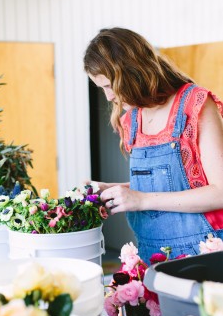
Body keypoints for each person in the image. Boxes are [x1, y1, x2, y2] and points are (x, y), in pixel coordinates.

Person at [84, 27, 223, 264]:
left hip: (203, 253)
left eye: (109, 86)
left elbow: (220, 192)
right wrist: (115, 190)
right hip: (152, 255)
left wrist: (142, 200)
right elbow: (166, 183)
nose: (108, 97)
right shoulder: (131, 119)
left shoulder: (194, 103)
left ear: (132, 72)